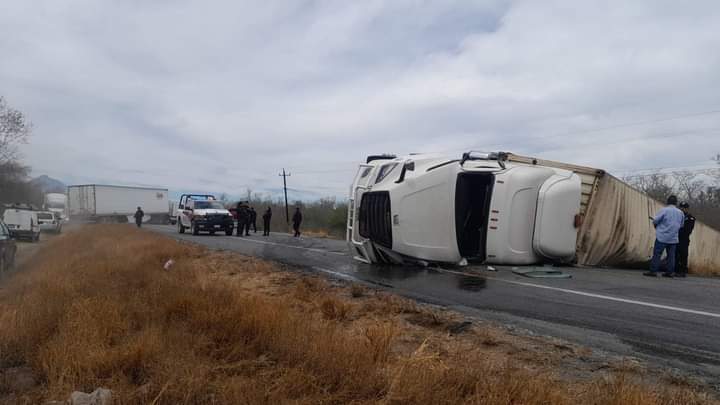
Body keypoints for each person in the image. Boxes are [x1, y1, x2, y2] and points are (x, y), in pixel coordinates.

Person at [644, 195, 684, 278]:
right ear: (676, 203)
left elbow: (655, 220)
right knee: (671, 256)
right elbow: (681, 225)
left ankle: (653, 271)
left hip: (662, 236)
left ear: (668, 201)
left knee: (657, 254)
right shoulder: (680, 213)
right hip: (673, 238)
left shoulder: (664, 210)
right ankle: (670, 272)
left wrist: (657, 226)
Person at [675, 202, 696, 277]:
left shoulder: (690, 218)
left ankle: (683, 271)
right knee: (675, 255)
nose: (682, 209)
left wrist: (678, 230)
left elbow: (688, 230)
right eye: (680, 207)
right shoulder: (677, 216)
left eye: (683, 208)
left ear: (687, 209)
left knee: (683, 255)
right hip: (675, 238)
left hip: (684, 239)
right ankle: (676, 270)